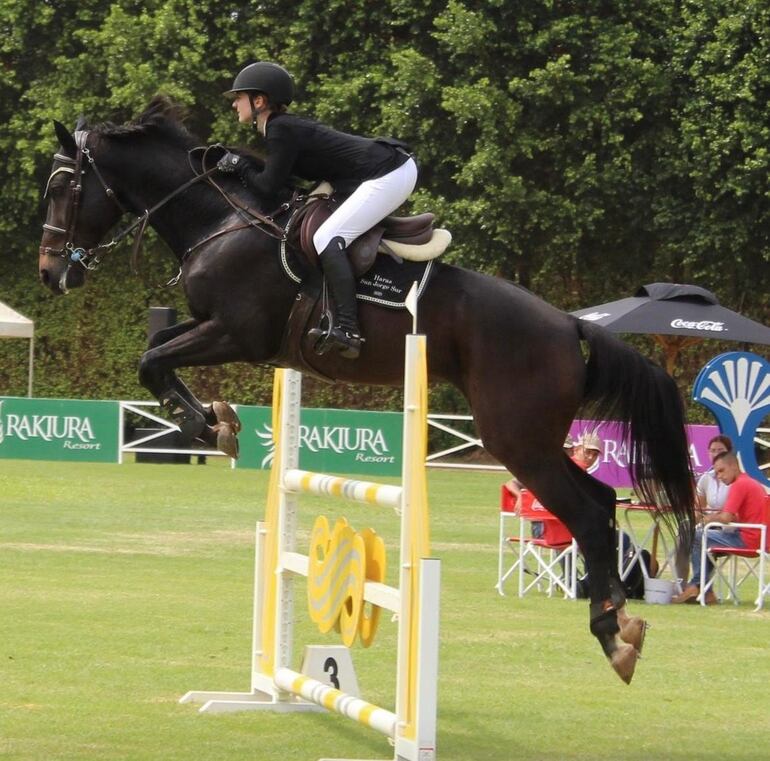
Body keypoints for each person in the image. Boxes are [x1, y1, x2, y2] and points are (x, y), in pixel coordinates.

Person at [217, 61, 419, 360]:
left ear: (258, 101)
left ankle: (349, 329)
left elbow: (268, 187)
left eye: (239, 97)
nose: (235, 103)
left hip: (389, 172)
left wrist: (239, 165)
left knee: (327, 238)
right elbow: (282, 184)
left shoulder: (279, 129)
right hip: (376, 172)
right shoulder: (280, 129)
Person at [672, 451, 768, 604]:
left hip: (749, 540)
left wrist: (706, 519)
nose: (719, 476)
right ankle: (706, 591)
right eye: (716, 473)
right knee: (707, 541)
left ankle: (695, 585)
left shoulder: (739, 485)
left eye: (721, 471)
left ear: (733, 466)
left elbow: (726, 518)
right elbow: (735, 516)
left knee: (698, 536)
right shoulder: (751, 482)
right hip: (760, 538)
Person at [695, 434, 733, 518]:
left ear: (729, 453)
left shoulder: (737, 479)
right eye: (712, 450)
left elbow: (733, 514)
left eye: (720, 450)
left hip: (731, 528)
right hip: (710, 526)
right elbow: (698, 508)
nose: (716, 454)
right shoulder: (705, 478)